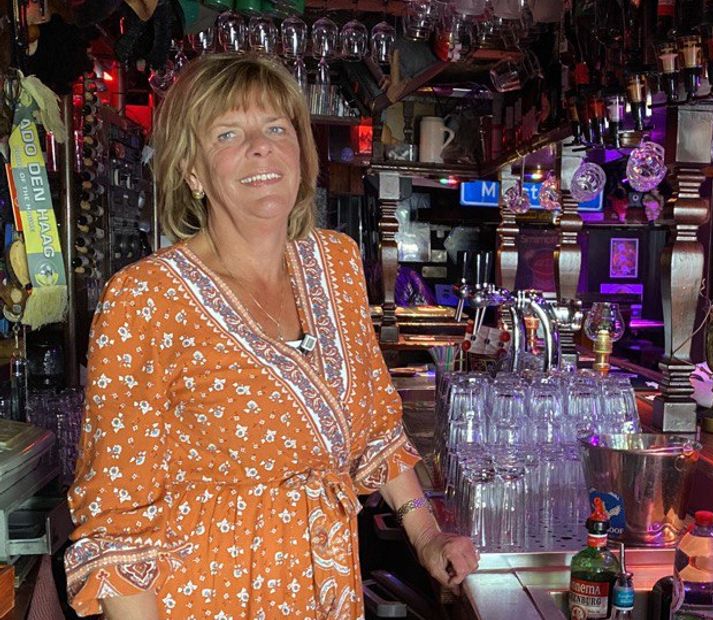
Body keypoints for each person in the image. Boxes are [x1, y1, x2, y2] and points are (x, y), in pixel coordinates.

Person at [64, 53, 478, 618]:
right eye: (228, 133)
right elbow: (117, 518)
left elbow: (375, 424)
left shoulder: (335, 263)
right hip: (211, 594)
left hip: (325, 584)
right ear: (192, 171)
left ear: (302, 154)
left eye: (276, 128)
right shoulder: (144, 299)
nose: (261, 147)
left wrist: (427, 534)